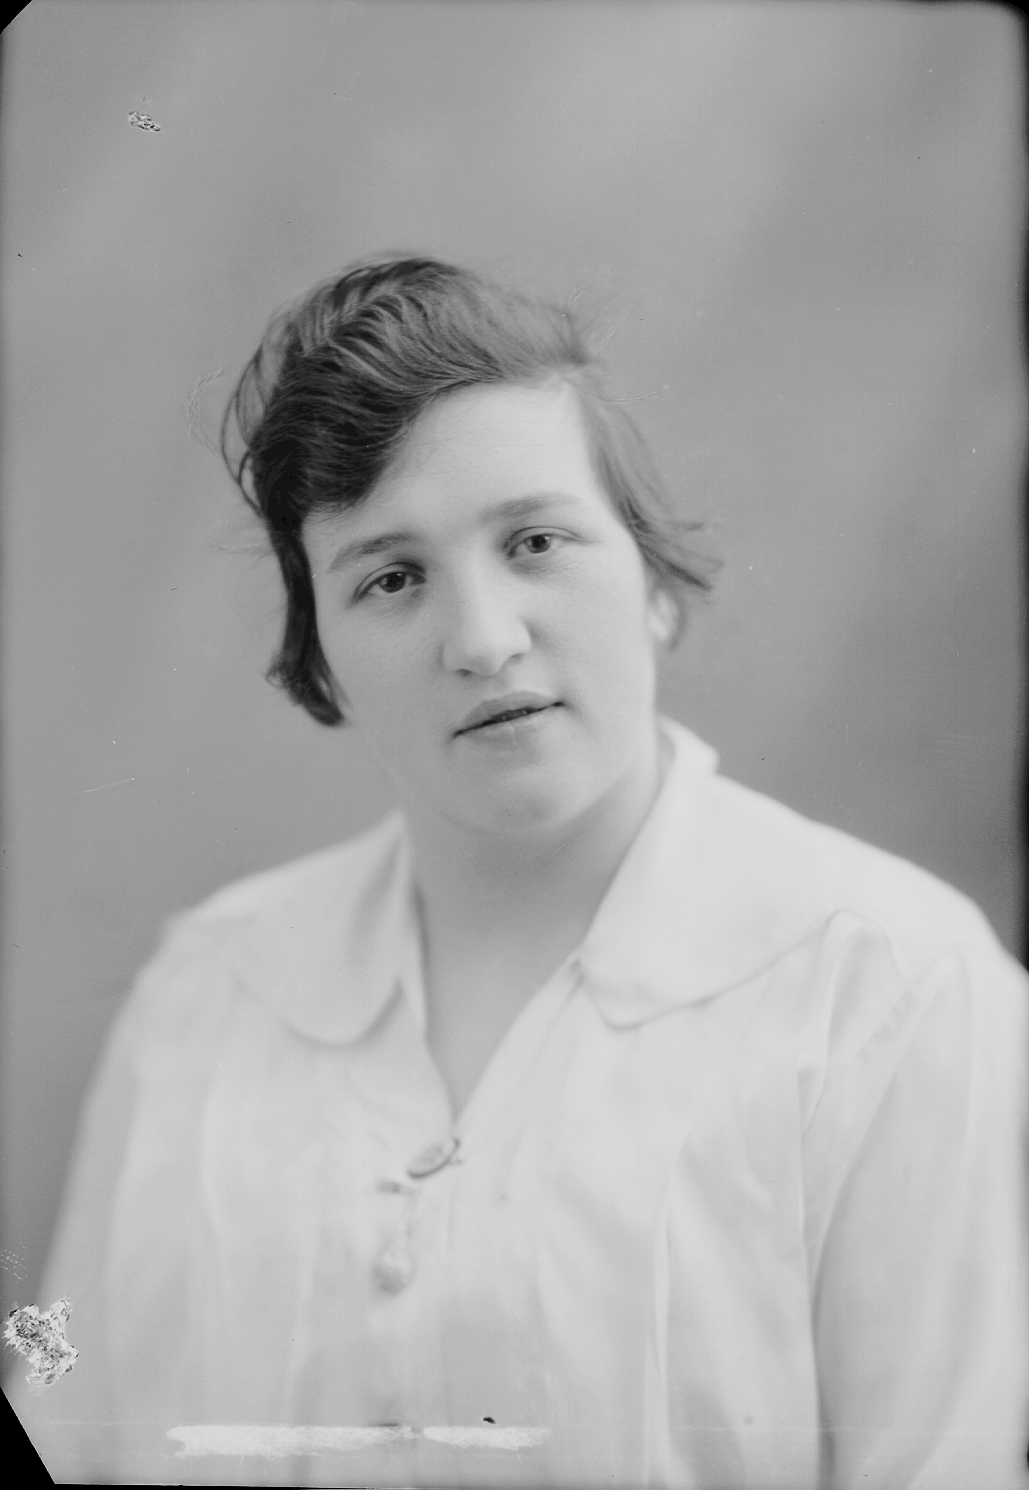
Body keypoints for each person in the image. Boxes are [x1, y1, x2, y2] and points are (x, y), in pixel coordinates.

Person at [7, 254, 1028, 1488]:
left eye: (536, 540)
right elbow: (66, 1401)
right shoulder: (205, 992)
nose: (485, 640)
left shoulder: (892, 988)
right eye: (391, 578)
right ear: (322, 663)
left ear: (654, 585)